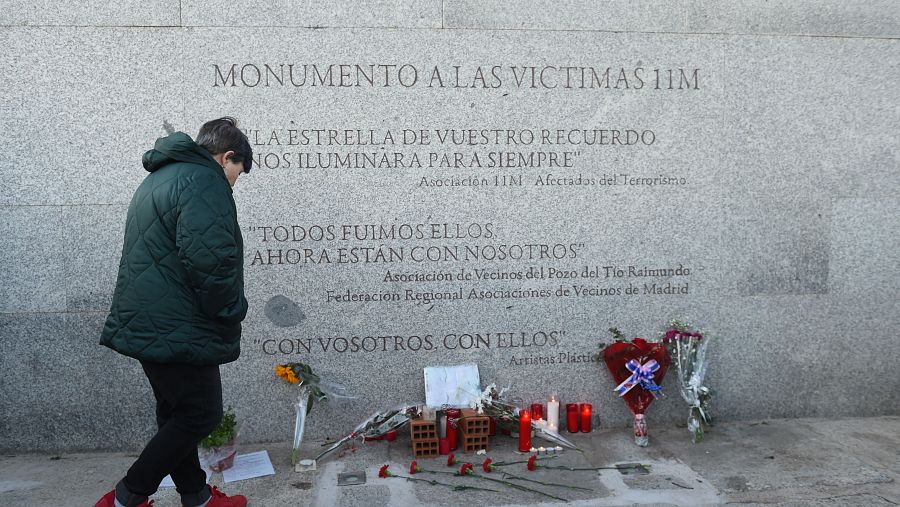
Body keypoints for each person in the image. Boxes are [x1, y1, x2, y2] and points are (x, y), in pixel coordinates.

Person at [96, 117, 252, 507]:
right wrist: (231, 311)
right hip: (179, 325)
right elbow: (211, 260)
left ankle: (196, 497)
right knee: (201, 414)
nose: (234, 181)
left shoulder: (161, 177)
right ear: (226, 157)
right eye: (238, 171)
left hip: (154, 321)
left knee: (176, 412)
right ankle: (124, 497)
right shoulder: (204, 181)